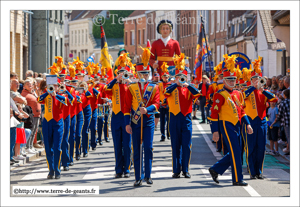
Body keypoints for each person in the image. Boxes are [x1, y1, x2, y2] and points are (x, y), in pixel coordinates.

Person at [208, 55, 253, 186]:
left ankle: (215, 169)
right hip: (226, 124)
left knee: (237, 151)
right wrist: (215, 131)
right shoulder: (219, 94)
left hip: (238, 125)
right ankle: (237, 179)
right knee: (235, 151)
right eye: (229, 79)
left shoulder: (238, 93)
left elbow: (242, 111)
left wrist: (248, 124)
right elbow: (214, 113)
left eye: (234, 79)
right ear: (224, 80)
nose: (232, 81)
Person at [164, 55, 201, 178]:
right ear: (175, 78)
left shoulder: (189, 88)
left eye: (183, 77)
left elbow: (197, 94)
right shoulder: (171, 87)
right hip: (174, 119)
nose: (181, 79)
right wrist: (177, 83)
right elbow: (166, 92)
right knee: (175, 144)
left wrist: (187, 84)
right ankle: (176, 169)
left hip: (186, 119)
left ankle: (186, 169)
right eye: (179, 77)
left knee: (186, 145)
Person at [124, 63, 160, 186]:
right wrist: (127, 124)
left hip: (148, 121)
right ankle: (138, 177)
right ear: (137, 74)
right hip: (135, 122)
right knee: (137, 149)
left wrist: (148, 109)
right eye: (142, 73)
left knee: (148, 148)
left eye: (146, 73)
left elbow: (157, 103)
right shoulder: (131, 87)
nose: (144, 76)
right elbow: (126, 106)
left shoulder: (154, 87)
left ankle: (148, 176)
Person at [243, 57, 278, 179]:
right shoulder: (248, 90)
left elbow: (274, 99)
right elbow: (243, 97)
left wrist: (263, 90)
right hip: (251, 121)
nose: (257, 81)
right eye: (255, 79)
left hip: (262, 121)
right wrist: (253, 87)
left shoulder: (264, 92)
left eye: (259, 79)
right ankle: (252, 171)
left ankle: (259, 171)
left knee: (261, 148)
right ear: (251, 80)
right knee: (251, 147)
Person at [105, 65, 132, 178]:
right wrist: (115, 79)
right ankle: (118, 170)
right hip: (116, 116)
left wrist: (128, 80)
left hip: (126, 116)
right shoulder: (114, 85)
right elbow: (106, 90)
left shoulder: (129, 85)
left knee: (126, 145)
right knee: (117, 144)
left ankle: (127, 169)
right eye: (120, 74)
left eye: (124, 74)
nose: (122, 76)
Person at [38, 79, 67, 179]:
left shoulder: (62, 96)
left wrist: (55, 95)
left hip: (58, 123)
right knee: (48, 148)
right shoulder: (45, 95)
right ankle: (51, 170)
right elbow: (39, 99)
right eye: (51, 85)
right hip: (47, 122)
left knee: (57, 148)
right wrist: (47, 92)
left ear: (58, 87)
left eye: (55, 85)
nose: (53, 87)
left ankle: (57, 170)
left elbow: (66, 102)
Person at [21, 79, 43, 152]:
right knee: (30, 131)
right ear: (24, 86)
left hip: (37, 115)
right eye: (27, 84)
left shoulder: (33, 93)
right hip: (31, 116)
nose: (30, 85)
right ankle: (27, 147)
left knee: (34, 131)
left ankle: (30, 146)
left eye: (31, 84)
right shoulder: (24, 93)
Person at [273, 89, 290, 155]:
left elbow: (280, 114)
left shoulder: (283, 102)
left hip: (286, 122)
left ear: (285, 95)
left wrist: (276, 119)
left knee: (288, 136)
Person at [157, 64, 170, 141]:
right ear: (162, 77)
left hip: (168, 105)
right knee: (162, 121)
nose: (166, 78)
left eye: (167, 77)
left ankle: (168, 134)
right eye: (164, 77)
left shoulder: (170, 85)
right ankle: (162, 135)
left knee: (169, 120)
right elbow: (157, 94)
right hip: (161, 105)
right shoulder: (159, 84)